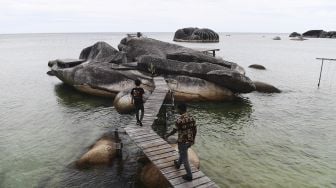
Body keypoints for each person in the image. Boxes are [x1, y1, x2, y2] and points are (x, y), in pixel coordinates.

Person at [165, 103, 196, 181]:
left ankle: (189, 175)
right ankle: (178, 164)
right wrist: (193, 139)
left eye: (177, 109)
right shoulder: (192, 117)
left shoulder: (179, 120)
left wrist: (167, 135)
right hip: (190, 141)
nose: (177, 110)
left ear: (180, 109)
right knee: (183, 153)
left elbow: (174, 130)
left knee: (185, 159)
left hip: (182, 142)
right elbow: (195, 130)